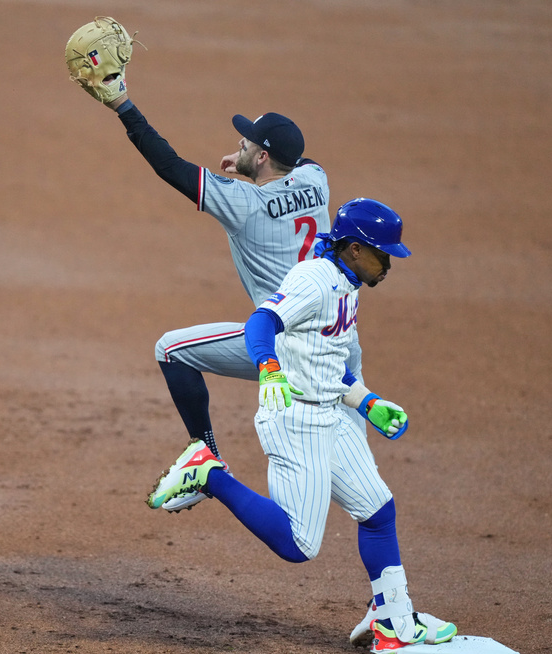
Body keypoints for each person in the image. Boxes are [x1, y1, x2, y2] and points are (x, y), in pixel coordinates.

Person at [145, 198, 457, 654]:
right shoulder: (313, 281)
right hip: (297, 419)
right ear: (353, 249)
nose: (388, 263)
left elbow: (330, 363)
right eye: (382, 254)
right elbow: (261, 323)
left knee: (377, 510)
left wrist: (368, 403)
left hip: (330, 411)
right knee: (298, 544)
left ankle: (393, 618)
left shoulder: (350, 283)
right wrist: (268, 368)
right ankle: (206, 474)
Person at [100, 88, 366, 513]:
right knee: (361, 488)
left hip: (284, 347)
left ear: (262, 157)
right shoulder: (318, 182)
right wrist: (250, 166)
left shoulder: (243, 203)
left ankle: (206, 459)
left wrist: (122, 106)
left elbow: (168, 165)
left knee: (171, 350)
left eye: (248, 141)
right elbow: (299, 162)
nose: (240, 142)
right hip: (339, 343)